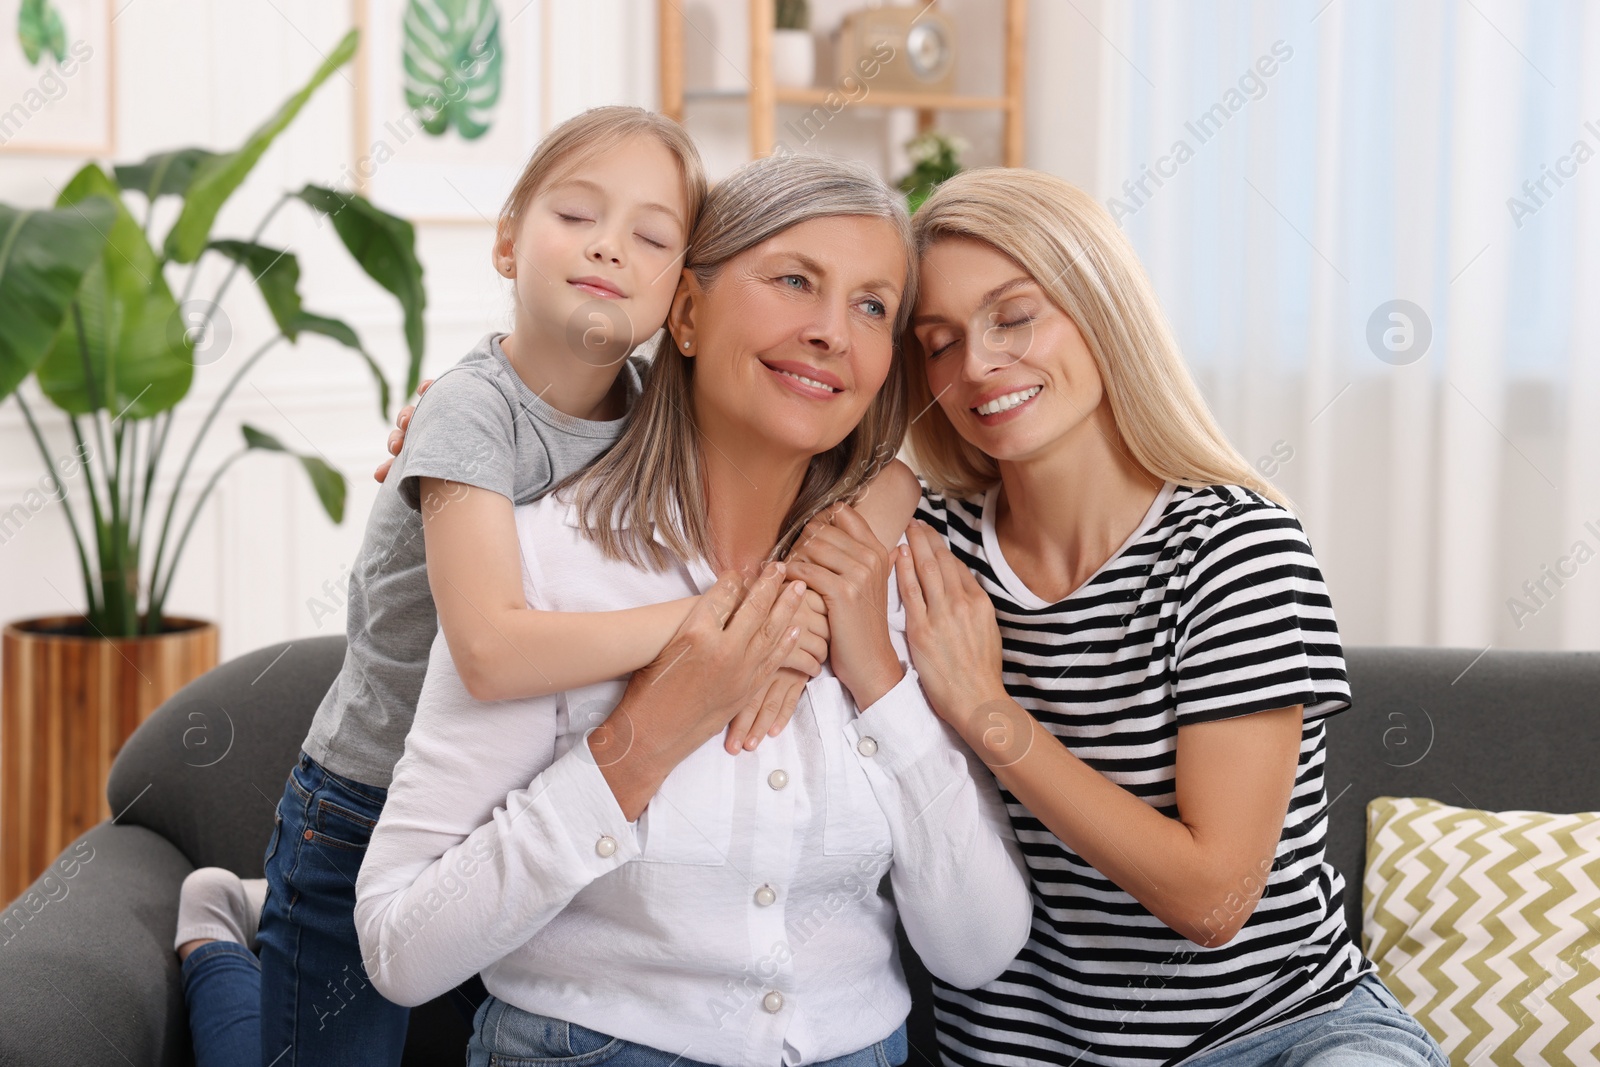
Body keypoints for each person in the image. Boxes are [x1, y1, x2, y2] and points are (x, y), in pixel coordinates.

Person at [171, 108, 912, 1067]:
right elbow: (490, 651)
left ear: (676, 298)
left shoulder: (646, 408)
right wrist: (716, 625)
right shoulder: (467, 413)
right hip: (366, 799)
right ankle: (213, 940)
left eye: (650, 236)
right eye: (577, 216)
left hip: (506, 797)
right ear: (507, 241)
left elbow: (888, 467)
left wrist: (808, 588)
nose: (610, 247)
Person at [354, 153, 1033, 1067]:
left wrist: (875, 673)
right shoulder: (544, 566)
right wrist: (643, 740)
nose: (833, 331)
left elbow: (980, 948)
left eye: (873, 306)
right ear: (686, 313)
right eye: (795, 280)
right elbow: (399, 947)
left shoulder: (903, 579)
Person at [889, 168, 1448, 1066]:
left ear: (1101, 307)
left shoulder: (1235, 549)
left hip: (1276, 1036)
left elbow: (1214, 901)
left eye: (1014, 315)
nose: (977, 366)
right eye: (939, 342)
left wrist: (987, 712)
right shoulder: (927, 551)